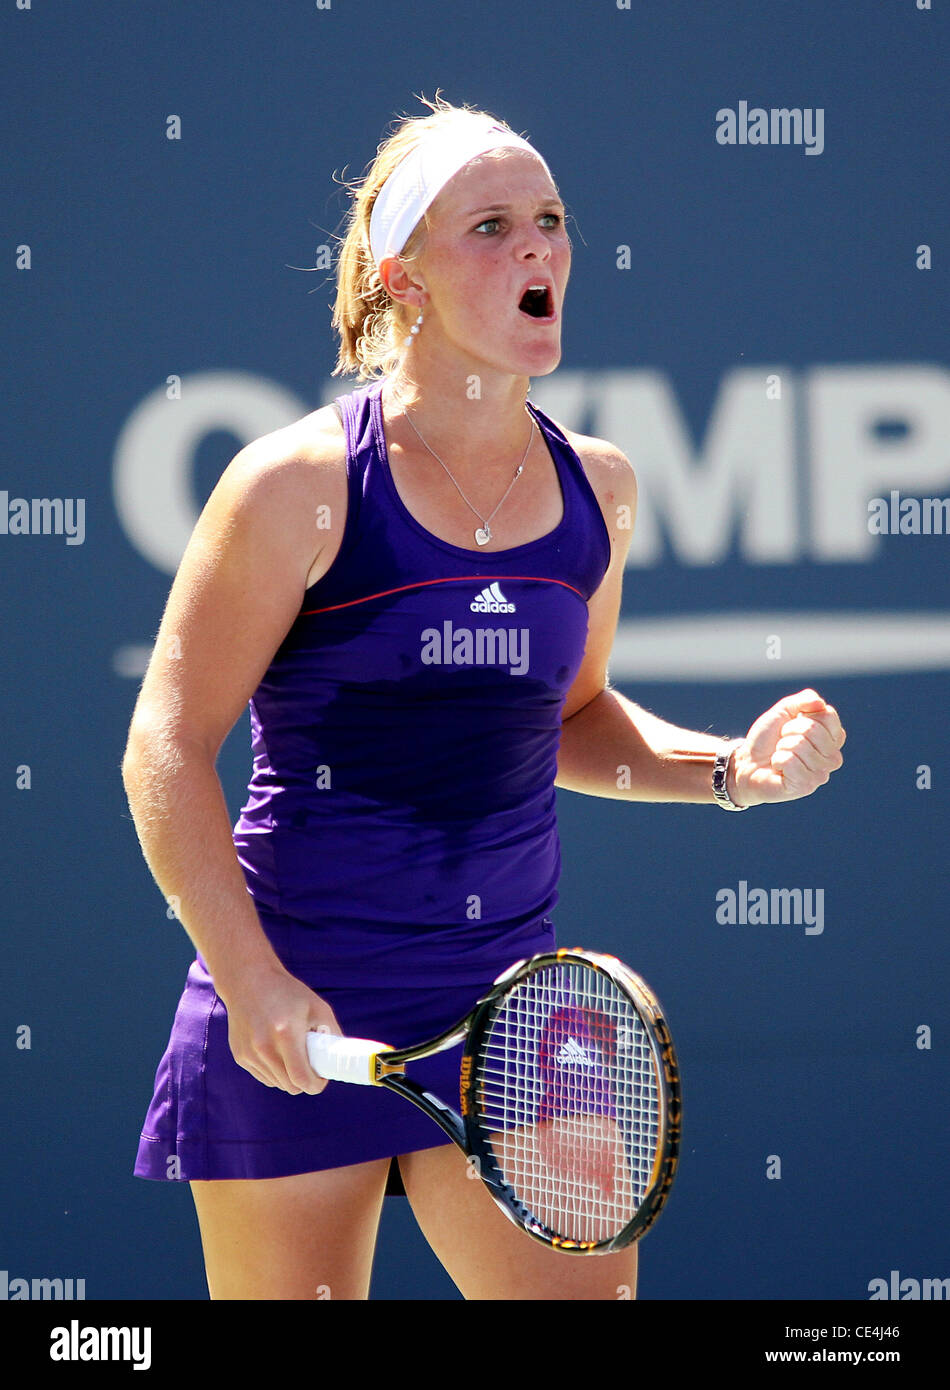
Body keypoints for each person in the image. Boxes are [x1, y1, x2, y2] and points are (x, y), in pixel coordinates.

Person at [122, 94, 846, 1301]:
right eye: (493, 226)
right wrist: (248, 978)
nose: (539, 251)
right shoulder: (297, 486)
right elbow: (165, 744)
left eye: (551, 221)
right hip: (292, 999)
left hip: (510, 1019)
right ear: (400, 277)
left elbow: (571, 715)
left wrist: (726, 769)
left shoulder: (598, 490)